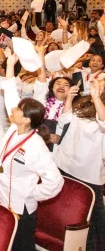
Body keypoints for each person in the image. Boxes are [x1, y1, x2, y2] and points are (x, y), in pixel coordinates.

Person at [0, 54, 64, 251]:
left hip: (21, 210)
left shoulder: (36, 146)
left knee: (21, 247)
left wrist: (31, 194)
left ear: (26, 119)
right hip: (4, 201)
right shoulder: (13, 128)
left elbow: (56, 182)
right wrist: (10, 65)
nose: (12, 110)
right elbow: (10, 93)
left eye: (17, 110)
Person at [55, 78, 105, 250]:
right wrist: (69, 98)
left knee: (94, 218)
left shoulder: (99, 104)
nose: (99, 83)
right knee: (62, 212)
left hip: (88, 172)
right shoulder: (84, 101)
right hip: (65, 163)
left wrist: (97, 98)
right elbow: (64, 121)